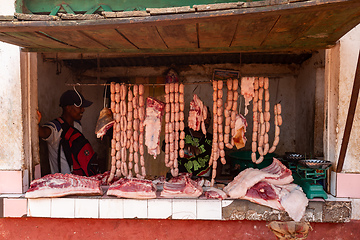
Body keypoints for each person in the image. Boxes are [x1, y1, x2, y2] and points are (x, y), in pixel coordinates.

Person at [38, 89, 97, 176]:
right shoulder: (55, 128)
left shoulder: (77, 125)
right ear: (68, 108)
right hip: (61, 183)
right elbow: (43, 132)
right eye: (80, 107)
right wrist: (35, 122)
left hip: (77, 180)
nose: (83, 110)